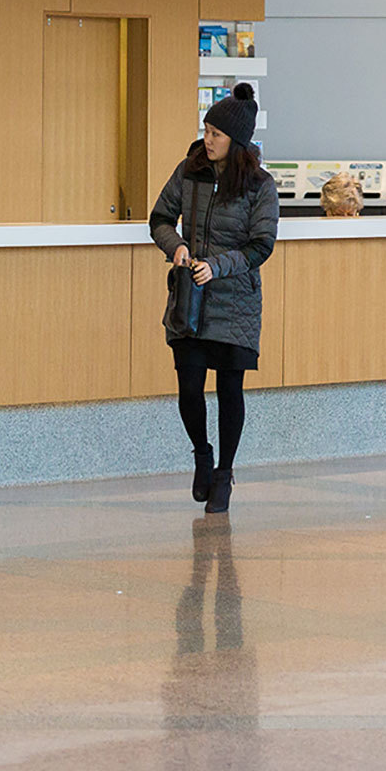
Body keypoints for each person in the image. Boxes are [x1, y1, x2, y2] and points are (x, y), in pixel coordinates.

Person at [150, 83, 280, 516]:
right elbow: (161, 218)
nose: (207, 140)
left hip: (235, 303)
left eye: (216, 134)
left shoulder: (260, 186)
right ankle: (201, 455)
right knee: (188, 387)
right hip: (191, 299)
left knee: (229, 390)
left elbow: (261, 246)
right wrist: (177, 248)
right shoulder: (189, 171)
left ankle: (224, 473)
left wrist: (217, 266)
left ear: (236, 142)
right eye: (206, 130)